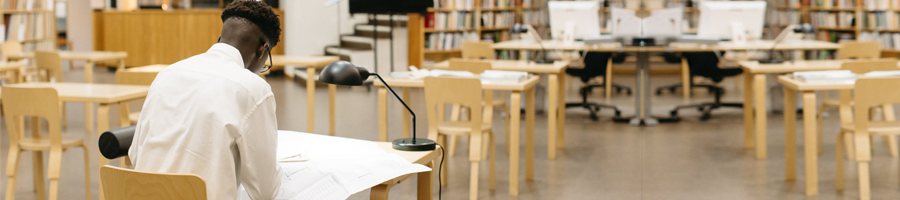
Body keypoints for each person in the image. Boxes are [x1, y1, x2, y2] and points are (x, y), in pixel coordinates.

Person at [128, 1, 282, 199]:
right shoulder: (253, 89)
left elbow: (135, 156)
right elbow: (265, 192)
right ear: (262, 50)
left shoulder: (168, 73)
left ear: (220, 39)